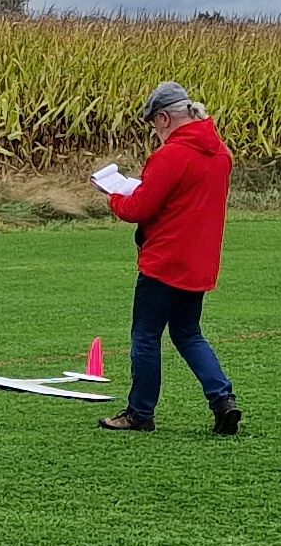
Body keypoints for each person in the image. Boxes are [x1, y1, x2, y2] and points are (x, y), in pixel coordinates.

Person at [97, 81, 242, 435]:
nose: (155, 133)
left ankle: (140, 412)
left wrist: (113, 196)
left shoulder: (171, 155)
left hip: (164, 260)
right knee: (188, 333)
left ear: (164, 118)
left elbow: (139, 208)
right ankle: (222, 399)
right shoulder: (221, 153)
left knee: (146, 336)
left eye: (154, 125)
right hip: (199, 261)